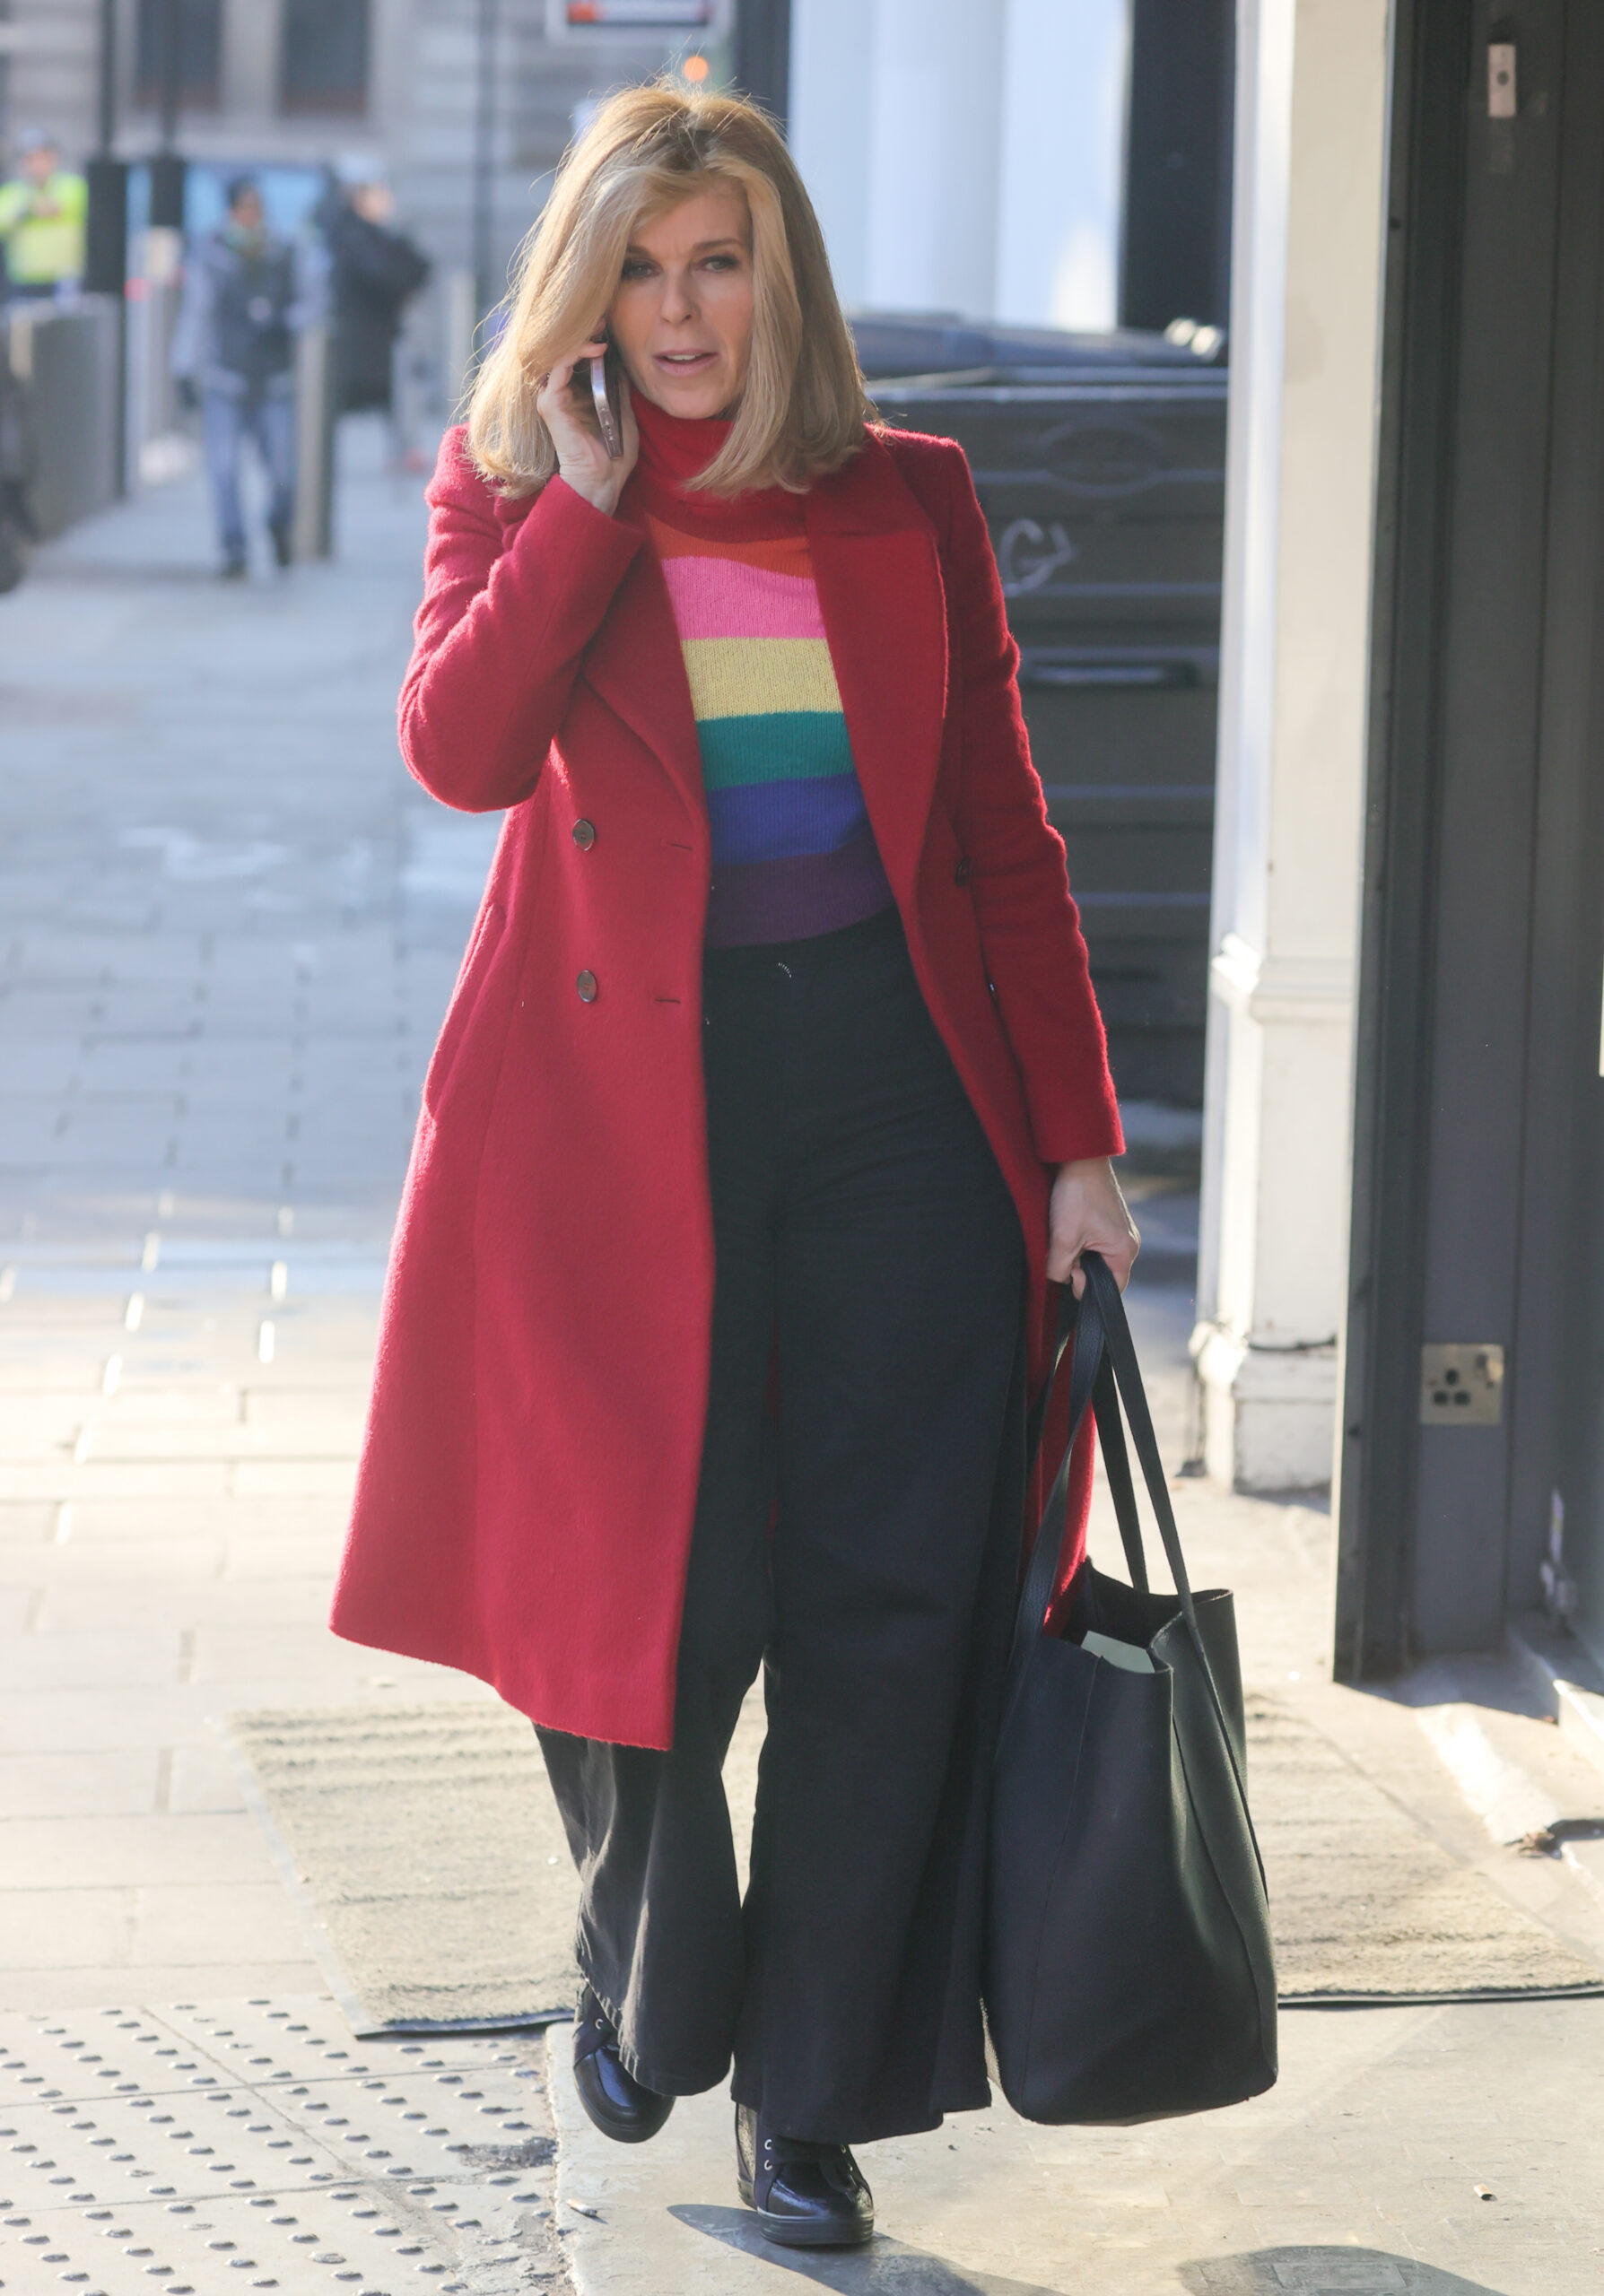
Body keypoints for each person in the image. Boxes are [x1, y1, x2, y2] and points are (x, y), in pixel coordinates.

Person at [328, 83, 1139, 2251]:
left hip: (902, 1104)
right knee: (655, 1592)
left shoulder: (908, 496)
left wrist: (1074, 1143)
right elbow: (459, 751)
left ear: (784, 280)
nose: (681, 313)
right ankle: (656, 1969)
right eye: (641, 270)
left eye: (720, 265)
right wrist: (587, 512)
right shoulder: (522, 476)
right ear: (585, 291)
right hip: (621, 1115)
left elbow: (1005, 836)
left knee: (890, 1608)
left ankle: (813, 2098)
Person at [170, 176, 317, 578]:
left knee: (283, 473)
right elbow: (196, 313)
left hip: (274, 379)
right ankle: (233, 547)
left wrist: (285, 322)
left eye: (256, 209)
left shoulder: (285, 251)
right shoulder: (211, 254)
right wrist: (183, 368)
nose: (250, 217)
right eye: (243, 209)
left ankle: (278, 524)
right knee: (223, 470)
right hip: (226, 378)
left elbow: (313, 302)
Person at [316, 167, 430, 465]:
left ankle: (403, 451)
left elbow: (419, 266)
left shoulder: (376, 235)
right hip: (362, 341)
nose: (387, 200)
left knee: (399, 393)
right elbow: (390, 275)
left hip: (378, 337)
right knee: (345, 402)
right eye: (380, 192)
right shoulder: (354, 236)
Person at [0, 131, 87, 302]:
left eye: (43, 158)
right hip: (24, 279)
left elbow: (60, 208)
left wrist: (32, 210)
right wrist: (27, 211)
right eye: (31, 159)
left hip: (65, 278)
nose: (38, 164)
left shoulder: (73, 187)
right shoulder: (10, 193)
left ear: (54, 159)